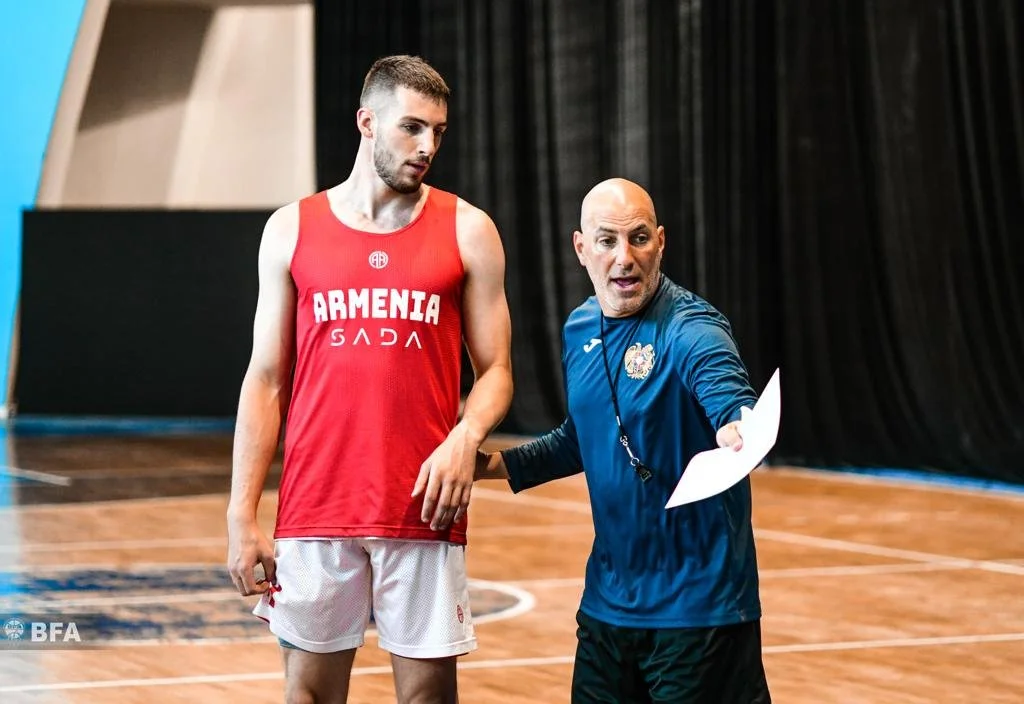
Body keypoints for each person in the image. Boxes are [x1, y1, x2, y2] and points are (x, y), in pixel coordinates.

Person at [226, 55, 513, 704]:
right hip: (315, 507)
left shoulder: (469, 230)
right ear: (367, 122)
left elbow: (497, 370)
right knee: (309, 696)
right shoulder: (291, 229)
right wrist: (241, 513)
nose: (427, 146)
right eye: (412, 127)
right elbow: (265, 381)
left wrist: (466, 436)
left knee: (426, 699)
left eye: (438, 132)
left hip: (422, 504)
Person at [475, 178, 771, 703]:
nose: (624, 258)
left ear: (661, 242)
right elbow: (583, 437)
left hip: (698, 613)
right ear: (580, 248)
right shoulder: (580, 329)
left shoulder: (692, 329)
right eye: (607, 241)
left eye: (638, 238)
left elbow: (729, 396)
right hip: (609, 607)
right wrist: (487, 467)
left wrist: (738, 425)